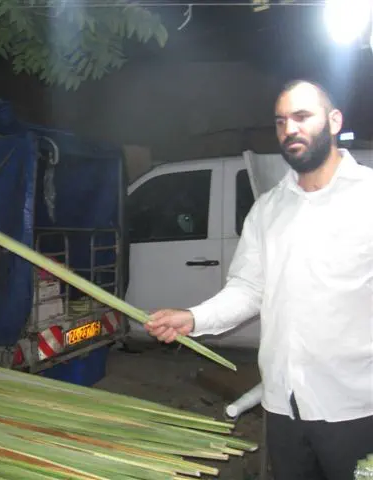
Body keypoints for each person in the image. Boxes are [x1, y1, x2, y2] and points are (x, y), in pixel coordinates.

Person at [145, 79, 373, 480]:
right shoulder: (268, 209)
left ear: (335, 121)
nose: (290, 129)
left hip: (355, 407)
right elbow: (249, 289)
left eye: (302, 116)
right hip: (283, 405)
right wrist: (194, 318)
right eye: (281, 121)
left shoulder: (366, 198)